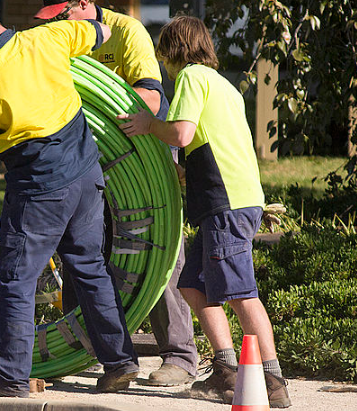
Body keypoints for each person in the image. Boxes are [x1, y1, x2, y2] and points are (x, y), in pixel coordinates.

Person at [0, 4, 139, 397]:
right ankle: (119, 362)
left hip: (40, 187)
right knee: (90, 267)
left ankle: (9, 379)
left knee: (16, 280)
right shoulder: (49, 36)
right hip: (86, 175)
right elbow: (100, 33)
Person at [118, 16, 291, 408]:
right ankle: (226, 371)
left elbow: (181, 133)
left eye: (163, 56)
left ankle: (272, 378)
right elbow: (205, 143)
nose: (163, 65)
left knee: (241, 293)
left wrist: (148, 124)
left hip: (225, 203)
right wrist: (181, 173)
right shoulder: (224, 85)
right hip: (231, 198)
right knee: (192, 285)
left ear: (172, 51)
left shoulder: (192, 78)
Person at [34, 0, 198, 387]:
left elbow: (152, 100)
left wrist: (94, 108)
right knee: (83, 243)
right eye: (51, 17)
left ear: (85, 4)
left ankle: (178, 355)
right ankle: (84, 347)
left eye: (63, 14)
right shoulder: (56, 37)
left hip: (137, 158)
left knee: (158, 250)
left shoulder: (127, 32)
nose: (57, 23)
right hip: (84, 156)